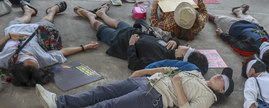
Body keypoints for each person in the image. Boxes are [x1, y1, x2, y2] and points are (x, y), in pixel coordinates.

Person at [35, 67, 234, 108]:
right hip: (146, 81)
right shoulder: (197, 72)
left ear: (221, 91)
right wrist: (142, 72)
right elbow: (168, 69)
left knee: (108, 106)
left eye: (222, 81)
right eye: (221, 74)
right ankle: (58, 101)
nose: (219, 76)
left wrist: (178, 86)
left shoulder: (208, 98)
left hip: (154, 97)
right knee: (101, 91)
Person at [73, 5, 208, 73]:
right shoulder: (172, 47)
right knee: (117, 22)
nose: (188, 46)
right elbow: (171, 39)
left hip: (121, 41)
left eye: (190, 49)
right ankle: (101, 13)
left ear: (184, 54)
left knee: (99, 26)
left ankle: (90, 16)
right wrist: (175, 41)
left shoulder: (160, 62)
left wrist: (131, 45)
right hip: (133, 31)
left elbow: (134, 65)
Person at [0, 2, 99, 87]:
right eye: (36, 61)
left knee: (18, 20)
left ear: (17, 65)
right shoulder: (43, 60)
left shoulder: (3, 61)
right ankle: (52, 11)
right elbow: (63, 52)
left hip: (15, 29)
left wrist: (9, 36)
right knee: (47, 20)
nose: (32, 56)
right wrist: (85, 47)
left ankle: (28, 11)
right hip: (39, 31)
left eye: (29, 58)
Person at [210, 4, 269, 73]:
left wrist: (222, 34)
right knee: (243, 16)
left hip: (235, 26)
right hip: (254, 25)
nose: (267, 45)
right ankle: (239, 11)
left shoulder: (248, 49)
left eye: (266, 49)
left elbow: (234, 42)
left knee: (215, 18)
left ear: (261, 55)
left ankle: (199, 11)